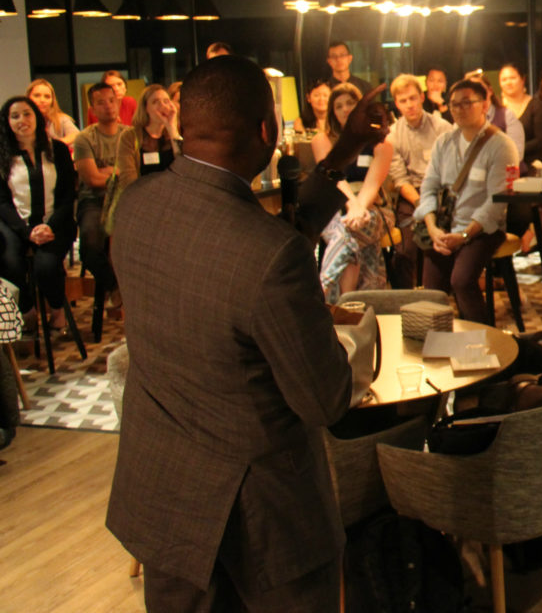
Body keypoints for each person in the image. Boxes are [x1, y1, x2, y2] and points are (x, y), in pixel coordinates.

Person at [106, 54, 368, 613]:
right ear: (268, 131)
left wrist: (338, 157)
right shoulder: (270, 256)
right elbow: (324, 399)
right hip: (264, 519)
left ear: (182, 124)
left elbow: (219, 279)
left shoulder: (134, 209)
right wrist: (359, 345)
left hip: (164, 492)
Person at [416, 79, 518, 324]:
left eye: (467, 103)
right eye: (454, 105)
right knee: (431, 290)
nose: (460, 110)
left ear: (484, 105)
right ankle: (438, 345)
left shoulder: (501, 145)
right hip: (445, 227)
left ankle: (485, 341)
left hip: (482, 230)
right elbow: (428, 187)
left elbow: (497, 201)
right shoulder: (444, 142)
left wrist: (464, 236)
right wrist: (433, 229)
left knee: (461, 281)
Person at [311, 83, 394, 302]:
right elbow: (334, 179)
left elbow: (372, 184)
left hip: (373, 209)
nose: (345, 109)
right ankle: (358, 305)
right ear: (332, 112)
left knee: (350, 230)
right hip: (334, 209)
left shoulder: (382, 143)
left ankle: (322, 292)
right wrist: (352, 206)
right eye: (338, 106)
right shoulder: (322, 140)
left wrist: (359, 208)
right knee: (348, 235)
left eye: (350, 103)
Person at [0, 96, 76, 331]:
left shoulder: (58, 150)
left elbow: (67, 196)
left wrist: (48, 226)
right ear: (7, 123)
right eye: (15, 116)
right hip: (17, 225)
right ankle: (26, 310)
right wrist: (27, 232)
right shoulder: (3, 156)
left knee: (46, 267)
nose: (22, 120)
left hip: (54, 222)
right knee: (8, 260)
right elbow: (2, 202)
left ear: (37, 117)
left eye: (27, 113)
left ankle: (57, 309)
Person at [385, 74, 452, 289]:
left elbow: (453, 170)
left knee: (440, 244)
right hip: (411, 195)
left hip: (442, 193)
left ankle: (439, 297)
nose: (409, 105)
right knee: (404, 251)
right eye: (403, 101)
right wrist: (421, 204)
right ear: (396, 104)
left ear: (422, 97)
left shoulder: (442, 128)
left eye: (413, 98)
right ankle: (403, 303)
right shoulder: (392, 135)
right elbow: (399, 179)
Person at [73, 82, 128, 316]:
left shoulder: (130, 134)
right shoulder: (85, 138)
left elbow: (137, 172)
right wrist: (119, 171)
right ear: (92, 108)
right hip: (94, 200)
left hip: (127, 198)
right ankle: (114, 287)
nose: (108, 106)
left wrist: (109, 172)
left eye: (111, 100)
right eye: (101, 102)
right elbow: (93, 179)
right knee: (91, 244)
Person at [108, 84, 181, 217]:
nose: (162, 106)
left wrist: (171, 129)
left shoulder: (177, 133)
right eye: (155, 102)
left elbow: (185, 168)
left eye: (166, 101)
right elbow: (128, 181)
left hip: (174, 200)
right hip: (141, 203)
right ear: (145, 108)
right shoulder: (130, 136)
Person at [499, 63, 542, 172]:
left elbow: (540, 140)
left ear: (523, 79)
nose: (508, 82)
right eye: (504, 79)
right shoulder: (496, 108)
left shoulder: (536, 106)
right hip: (501, 167)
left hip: (531, 167)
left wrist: (513, 150)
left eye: (513, 78)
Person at [27, 79, 78, 148]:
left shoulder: (61, 119)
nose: (42, 100)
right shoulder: (23, 120)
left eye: (47, 97)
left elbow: (76, 135)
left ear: (52, 101)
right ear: (28, 98)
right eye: (37, 95)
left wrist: (55, 145)